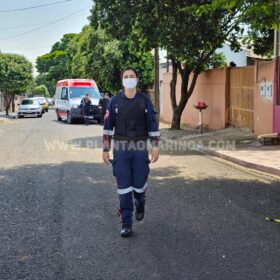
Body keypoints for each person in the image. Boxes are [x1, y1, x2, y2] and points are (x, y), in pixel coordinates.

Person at [102, 67, 160, 238]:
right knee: (124, 186)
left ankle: (140, 201)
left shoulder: (145, 101)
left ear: (137, 79)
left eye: (132, 76)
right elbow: (107, 128)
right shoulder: (114, 102)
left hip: (140, 147)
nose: (129, 79)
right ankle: (126, 222)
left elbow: (153, 126)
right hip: (120, 148)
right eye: (126, 76)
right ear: (122, 80)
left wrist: (155, 146)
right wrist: (106, 149)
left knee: (139, 183)